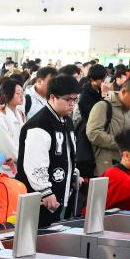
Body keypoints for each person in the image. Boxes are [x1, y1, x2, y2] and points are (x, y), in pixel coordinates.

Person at [16, 74, 81, 227]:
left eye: (75, 99)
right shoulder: (40, 123)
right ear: (52, 97)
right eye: (67, 100)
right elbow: (34, 162)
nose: (72, 104)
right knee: (39, 235)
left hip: (60, 192)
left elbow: (68, 154)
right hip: (41, 198)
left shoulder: (66, 120)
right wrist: (45, 190)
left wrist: (74, 173)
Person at [86, 77, 130, 177]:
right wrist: (121, 144)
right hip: (104, 168)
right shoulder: (103, 106)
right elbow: (93, 133)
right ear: (124, 91)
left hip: (125, 170)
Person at [0, 79, 25, 166]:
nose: (21, 96)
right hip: (7, 169)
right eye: (17, 93)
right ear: (6, 95)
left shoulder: (19, 113)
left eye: (22, 93)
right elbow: (10, 151)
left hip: (20, 162)